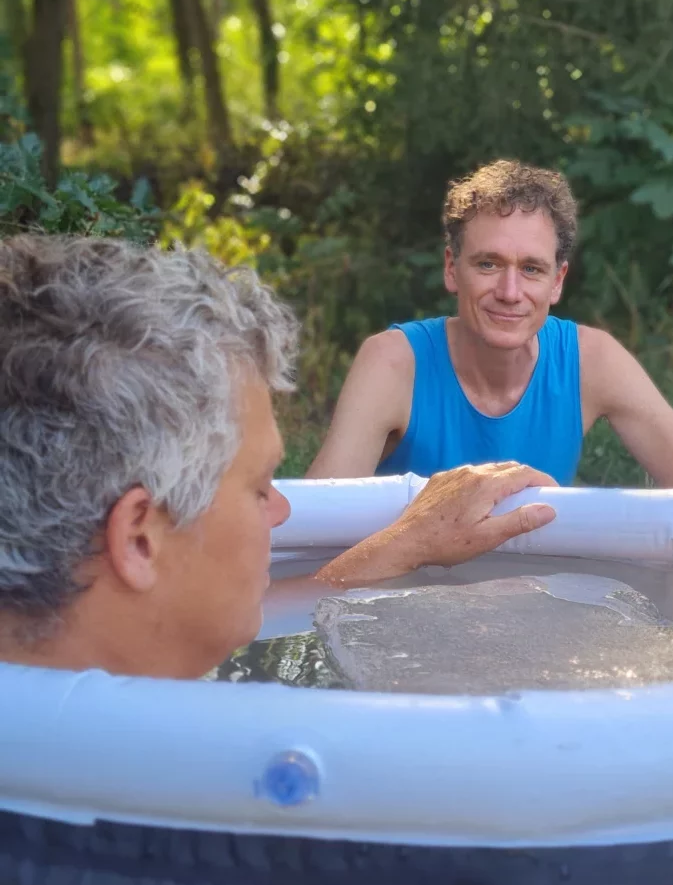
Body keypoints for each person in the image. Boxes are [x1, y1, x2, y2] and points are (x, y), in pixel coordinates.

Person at [0, 234, 556, 682]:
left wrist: (411, 542)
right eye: (259, 487)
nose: (282, 509)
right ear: (140, 539)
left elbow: (262, 606)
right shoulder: (179, 773)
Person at [307, 158, 673, 504]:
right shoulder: (393, 363)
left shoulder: (590, 361)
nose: (509, 292)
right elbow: (312, 528)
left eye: (531, 269)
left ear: (557, 282)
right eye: (488, 264)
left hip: (533, 592)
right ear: (451, 268)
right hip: (401, 590)